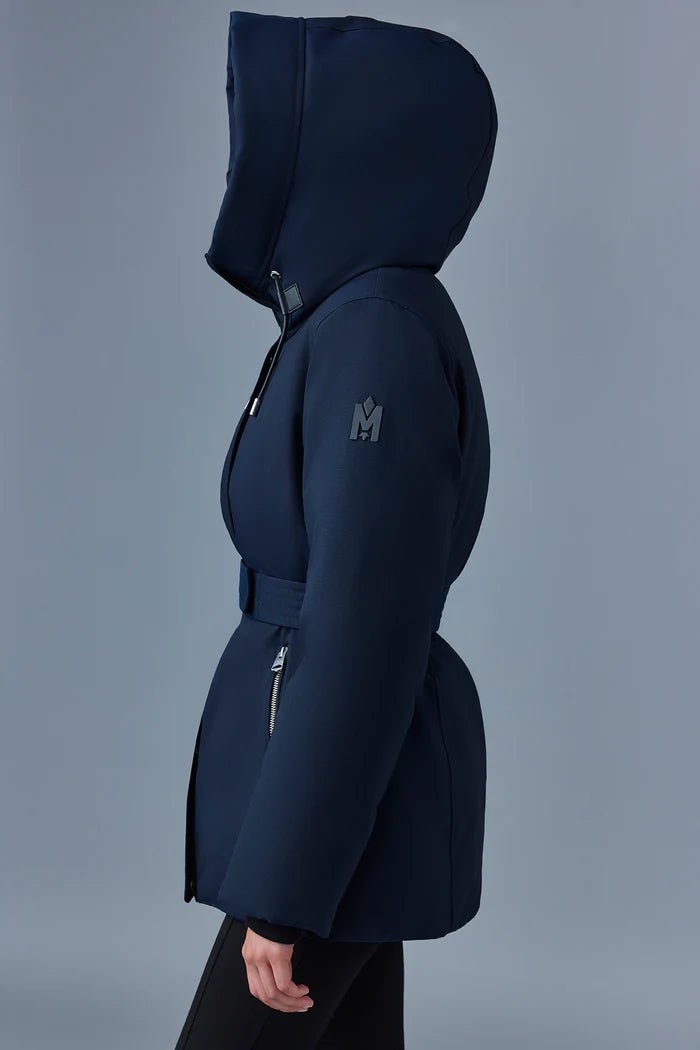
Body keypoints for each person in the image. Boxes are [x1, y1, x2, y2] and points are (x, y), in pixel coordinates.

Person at [174, 11, 497, 1048]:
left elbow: (364, 632)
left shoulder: (376, 337)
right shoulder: (351, 320)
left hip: (333, 809)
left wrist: (283, 887)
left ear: (358, 149)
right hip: (338, 798)